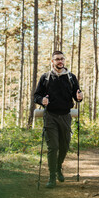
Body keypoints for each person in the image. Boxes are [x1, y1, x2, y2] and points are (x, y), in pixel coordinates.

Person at [34, 50, 83, 188]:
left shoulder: (71, 77)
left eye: (62, 59)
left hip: (66, 116)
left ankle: (58, 167)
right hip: (50, 116)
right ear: (52, 61)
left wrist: (79, 97)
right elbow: (36, 96)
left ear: (64, 60)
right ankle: (51, 177)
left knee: (64, 145)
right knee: (53, 147)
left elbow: (77, 96)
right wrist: (41, 100)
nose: (60, 61)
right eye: (57, 59)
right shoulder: (46, 77)